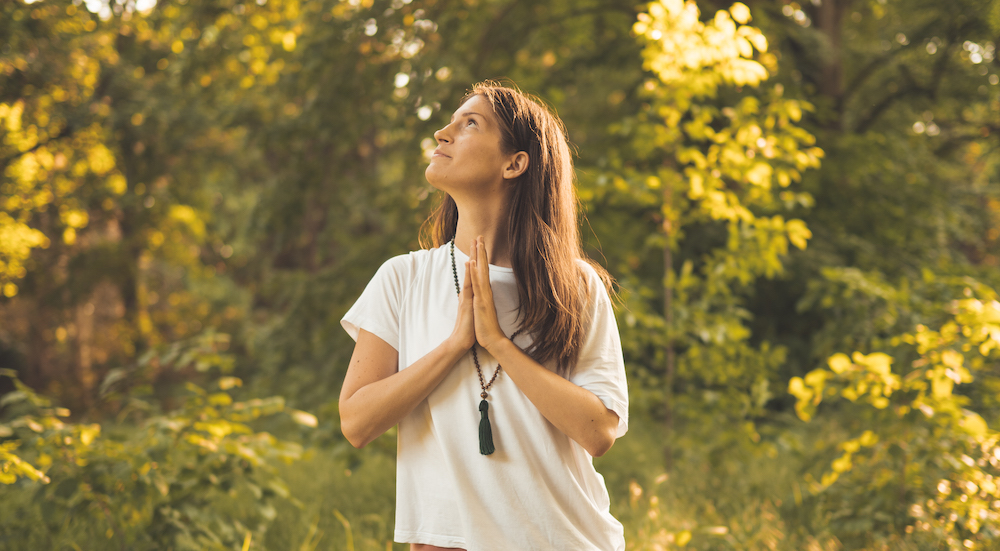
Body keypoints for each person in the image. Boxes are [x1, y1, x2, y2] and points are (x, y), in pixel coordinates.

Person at [339, 82, 629, 551]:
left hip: (566, 539)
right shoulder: (403, 278)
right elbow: (356, 422)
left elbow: (598, 432)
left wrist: (498, 344)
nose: (442, 132)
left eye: (469, 123)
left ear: (514, 163)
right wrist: (455, 345)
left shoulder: (573, 285)